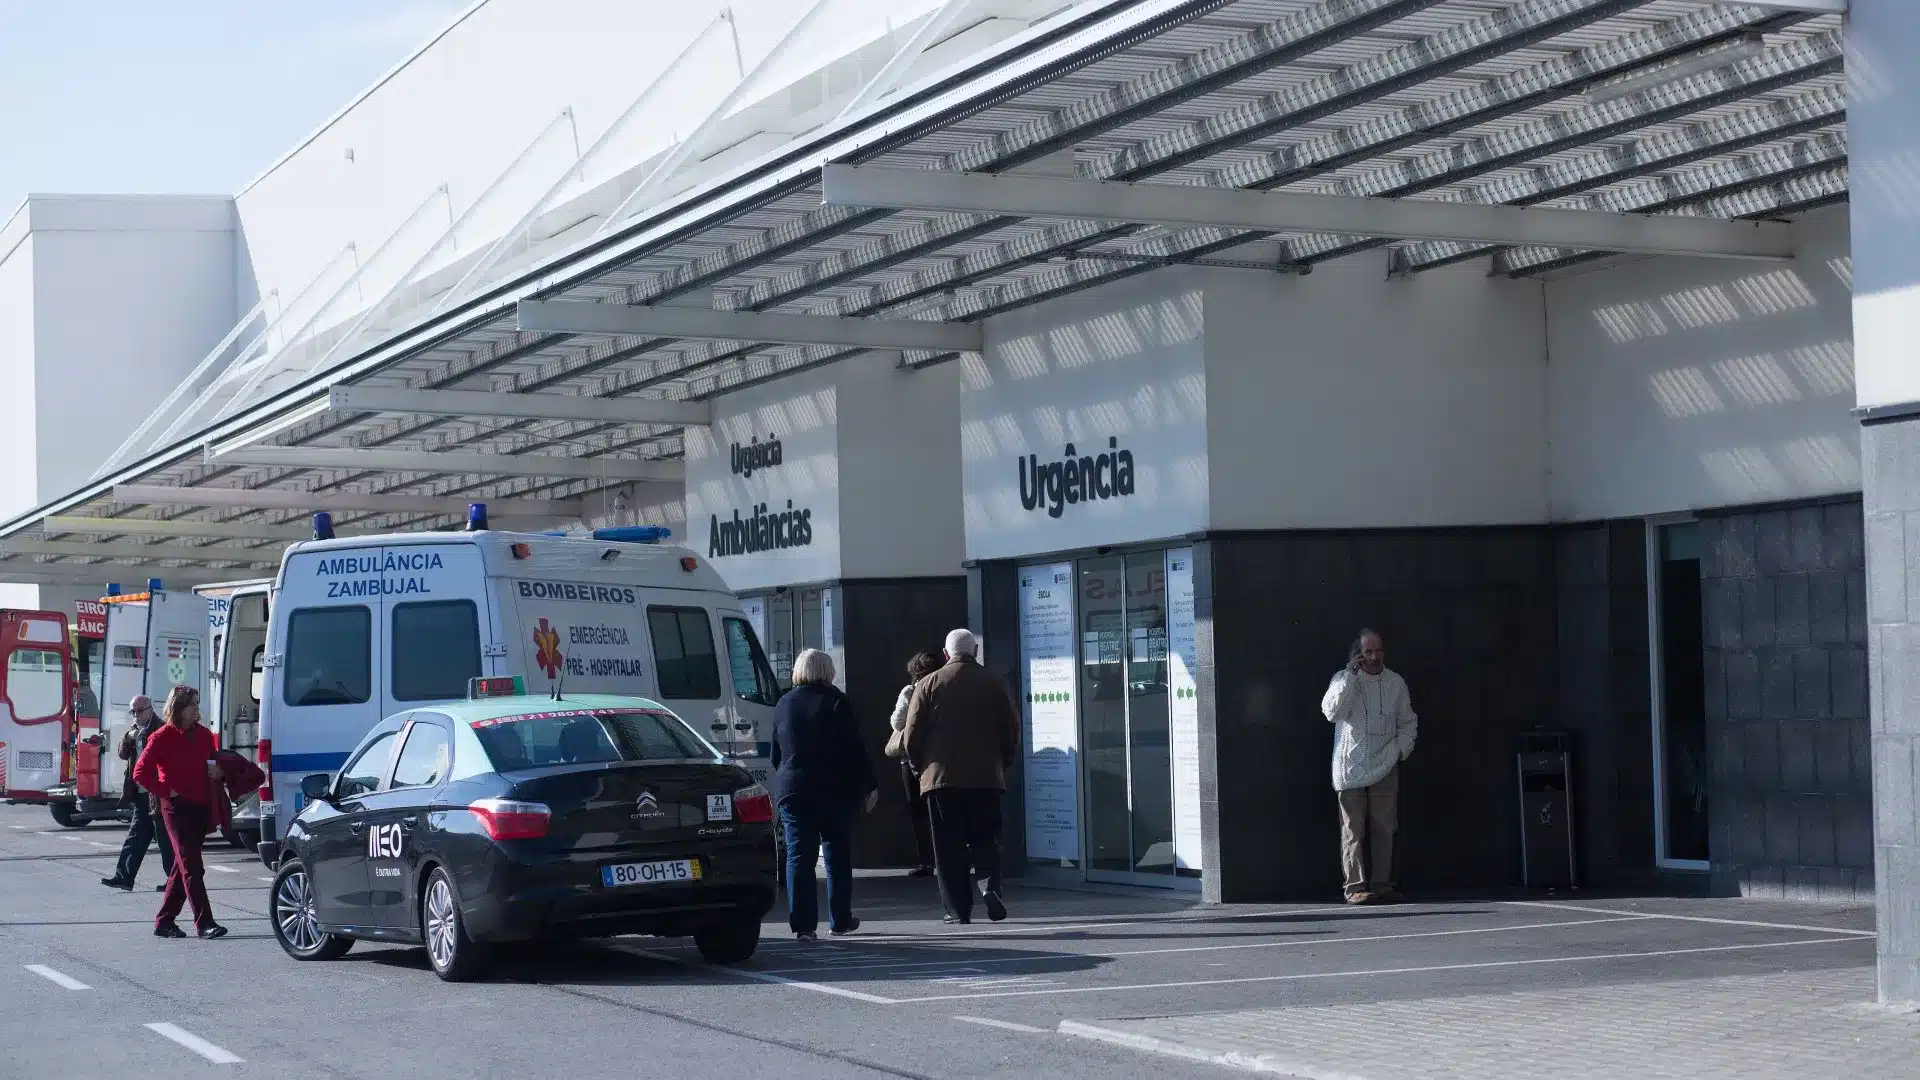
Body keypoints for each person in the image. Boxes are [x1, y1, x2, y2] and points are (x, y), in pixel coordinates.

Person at [902, 628, 1019, 925]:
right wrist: (1002, 762)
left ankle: (958, 909)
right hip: (985, 777)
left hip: (940, 780)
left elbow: (911, 736)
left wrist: (920, 770)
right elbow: (1011, 728)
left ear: (945, 654)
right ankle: (990, 887)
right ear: (975, 650)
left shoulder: (927, 683)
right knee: (986, 838)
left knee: (947, 846)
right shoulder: (994, 682)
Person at [768, 649, 879, 941]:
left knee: (798, 856)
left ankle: (803, 926)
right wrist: (869, 784)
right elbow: (854, 748)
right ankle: (840, 919)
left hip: (793, 789)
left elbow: (776, 754)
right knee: (836, 854)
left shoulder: (784, 703)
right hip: (834, 789)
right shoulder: (837, 701)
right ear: (828, 671)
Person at [1321, 628, 1417, 905]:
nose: (1374, 657)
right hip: (1350, 766)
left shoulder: (1395, 683)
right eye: (1368, 652)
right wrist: (1350, 678)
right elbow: (1332, 713)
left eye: (1378, 651)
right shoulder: (1343, 679)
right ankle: (1354, 888)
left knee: (1385, 827)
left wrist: (1400, 750)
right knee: (1353, 830)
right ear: (1357, 654)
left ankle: (1382, 884)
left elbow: (1408, 721)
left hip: (1385, 763)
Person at [131, 685, 227, 939]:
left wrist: (216, 771)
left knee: (182, 867)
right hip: (175, 809)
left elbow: (211, 762)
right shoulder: (161, 737)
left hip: (200, 806)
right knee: (192, 868)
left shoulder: (205, 735)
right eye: (191, 704)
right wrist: (166, 789)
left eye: (197, 703)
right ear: (178, 708)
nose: (197, 708)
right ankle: (204, 923)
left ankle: (164, 921)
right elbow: (139, 773)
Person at [101, 696, 175, 892]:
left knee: (165, 839)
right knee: (136, 836)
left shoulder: (160, 728)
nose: (136, 715)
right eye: (132, 712)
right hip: (142, 793)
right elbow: (122, 754)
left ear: (150, 709)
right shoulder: (134, 730)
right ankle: (124, 876)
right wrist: (129, 738)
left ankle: (175, 881)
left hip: (157, 792)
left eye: (139, 711)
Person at [888, 650, 944, 878]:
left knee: (918, 812)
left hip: (910, 759)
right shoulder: (944, 687)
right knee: (939, 810)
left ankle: (926, 861)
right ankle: (942, 858)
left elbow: (896, 721)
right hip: (938, 758)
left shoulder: (910, 691)